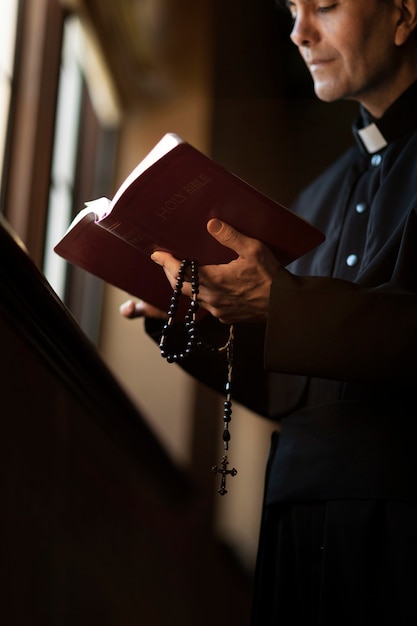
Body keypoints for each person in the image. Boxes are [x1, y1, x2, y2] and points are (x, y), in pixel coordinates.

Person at [120, 0, 417, 623]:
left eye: (325, 6)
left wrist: (283, 303)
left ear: (404, 14)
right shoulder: (314, 197)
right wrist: (185, 317)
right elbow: (293, 391)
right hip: (293, 517)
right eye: (291, 8)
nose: (298, 31)